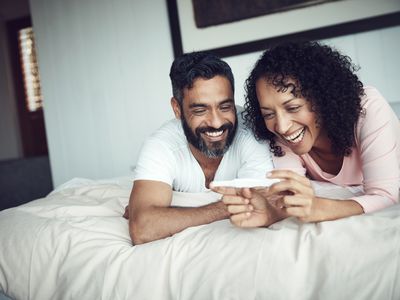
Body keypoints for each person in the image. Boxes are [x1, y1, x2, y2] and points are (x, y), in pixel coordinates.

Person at [213, 41, 400, 228]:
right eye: (268, 114)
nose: (282, 126)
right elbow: (290, 195)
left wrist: (322, 207)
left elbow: (386, 195)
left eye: (293, 107)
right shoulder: (280, 134)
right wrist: (271, 213)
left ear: (323, 97)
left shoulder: (367, 108)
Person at [125, 51, 274, 244]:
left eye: (225, 107)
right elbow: (143, 228)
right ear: (177, 109)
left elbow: (259, 205)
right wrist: (226, 207)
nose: (216, 122)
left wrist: (168, 213)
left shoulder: (251, 131)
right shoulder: (161, 145)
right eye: (200, 110)